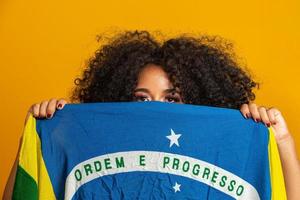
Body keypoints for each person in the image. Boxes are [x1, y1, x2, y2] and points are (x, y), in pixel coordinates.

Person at [4, 30, 300, 199]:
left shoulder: (236, 150)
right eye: (141, 98)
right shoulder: (76, 143)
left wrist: (282, 140)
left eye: (171, 99)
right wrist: (37, 139)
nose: (156, 108)